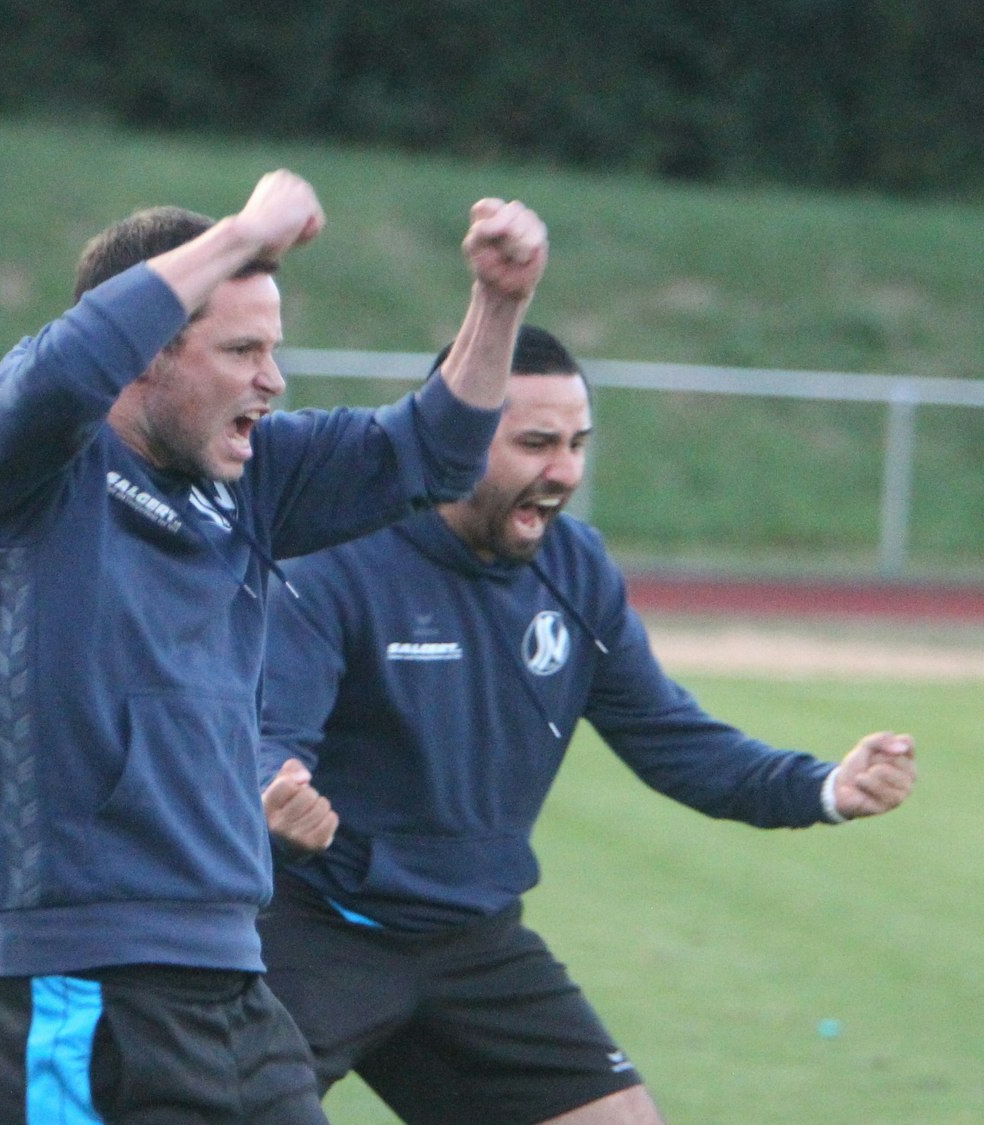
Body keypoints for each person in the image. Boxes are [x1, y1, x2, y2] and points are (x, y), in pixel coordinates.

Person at [0, 169, 548, 1124]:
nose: (273, 379)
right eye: (242, 349)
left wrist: (498, 303)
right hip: (90, 990)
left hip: (237, 984)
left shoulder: (250, 481)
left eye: (274, 348)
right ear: (145, 351)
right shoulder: (24, 470)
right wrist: (238, 232)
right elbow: (64, 367)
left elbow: (433, 452)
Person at [255, 325, 919, 1125]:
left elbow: (671, 738)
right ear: (454, 435)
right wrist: (274, 790)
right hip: (314, 929)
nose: (563, 471)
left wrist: (823, 785)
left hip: (473, 940)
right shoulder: (337, 556)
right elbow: (269, 733)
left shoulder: (575, 568)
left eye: (576, 443)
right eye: (536, 443)